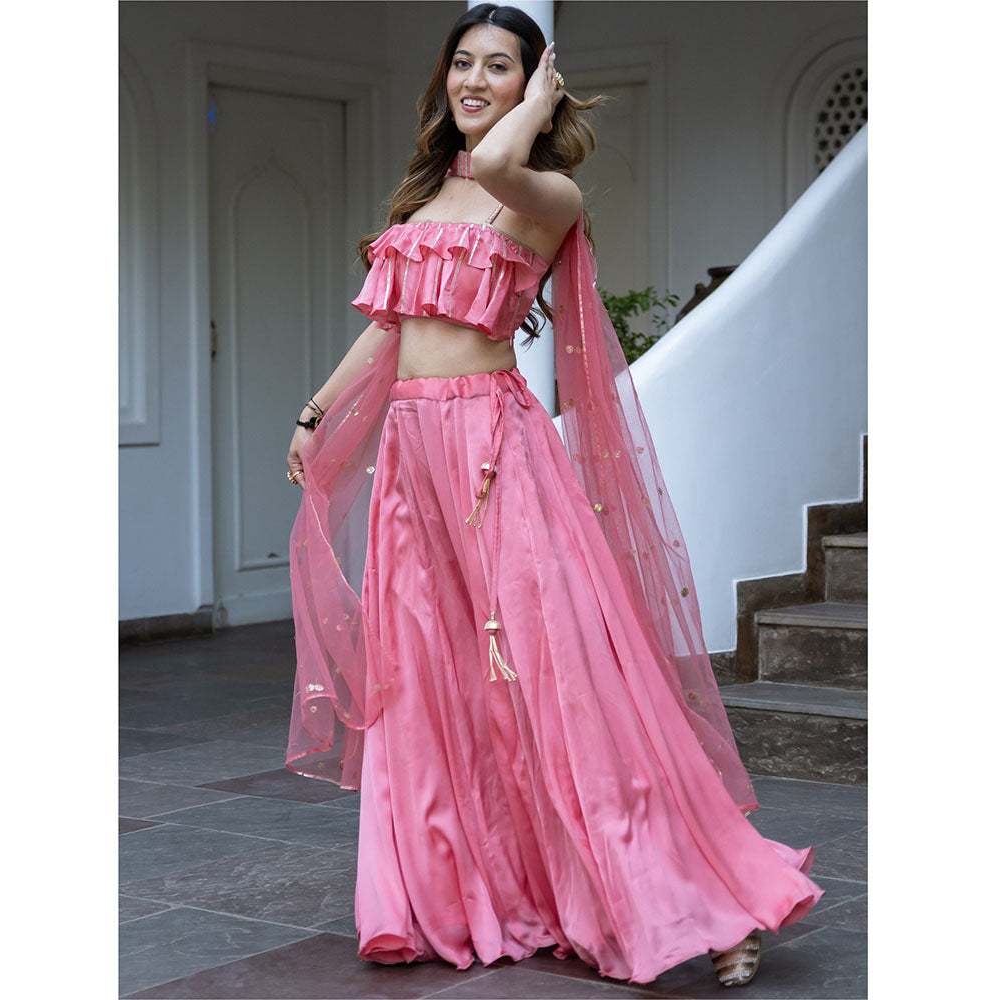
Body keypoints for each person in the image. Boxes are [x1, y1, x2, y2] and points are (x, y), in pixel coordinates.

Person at [284, 3, 823, 988]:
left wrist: (535, 104)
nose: (472, 80)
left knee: (562, 676)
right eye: (461, 63)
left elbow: (498, 161)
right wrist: (317, 413)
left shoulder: (541, 191)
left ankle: (715, 901)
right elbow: (391, 323)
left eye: (499, 66)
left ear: (534, 85)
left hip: (494, 451)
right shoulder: (428, 195)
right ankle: (478, 888)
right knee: (435, 675)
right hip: (414, 453)